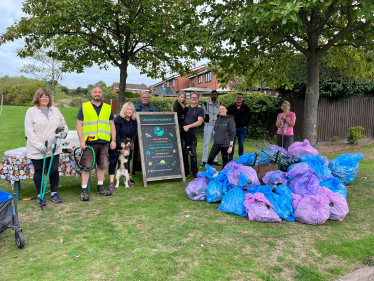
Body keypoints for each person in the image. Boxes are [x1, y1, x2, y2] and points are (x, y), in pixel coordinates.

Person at [25, 88, 68, 206]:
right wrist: (38, 145)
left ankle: (54, 193)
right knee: (39, 171)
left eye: (47, 96)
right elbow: (29, 131)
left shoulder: (56, 110)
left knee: (53, 170)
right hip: (37, 148)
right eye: (42, 96)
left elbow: (63, 125)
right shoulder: (31, 112)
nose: (44, 98)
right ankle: (40, 195)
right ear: (37, 98)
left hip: (54, 147)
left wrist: (63, 134)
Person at [76, 86, 116, 201]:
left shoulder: (108, 108)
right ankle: (84, 190)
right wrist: (81, 140)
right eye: (95, 92)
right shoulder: (84, 106)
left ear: (102, 94)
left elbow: (112, 125)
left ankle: (100, 187)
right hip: (89, 142)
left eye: (99, 92)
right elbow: (79, 125)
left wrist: (113, 140)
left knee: (102, 165)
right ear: (91, 93)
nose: (97, 94)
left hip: (104, 142)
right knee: (86, 166)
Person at [107, 102, 138, 191]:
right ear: (124, 110)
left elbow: (135, 133)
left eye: (131, 109)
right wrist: (121, 147)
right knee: (113, 162)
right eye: (127, 109)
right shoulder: (118, 119)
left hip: (128, 146)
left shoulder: (134, 120)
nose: (129, 111)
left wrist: (129, 144)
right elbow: (115, 133)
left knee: (127, 163)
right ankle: (111, 182)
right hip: (117, 144)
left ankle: (128, 180)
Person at [182, 92, 204, 178]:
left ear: (198, 99)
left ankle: (195, 172)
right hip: (183, 133)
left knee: (193, 153)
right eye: (192, 97)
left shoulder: (200, 110)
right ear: (190, 98)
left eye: (195, 97)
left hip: (192, 134)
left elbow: (199, 122)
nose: (194, 99)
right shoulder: (185, 108)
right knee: (184, 153)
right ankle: (186, 172)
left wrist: (188, 126)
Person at [207, 105, 236, 170]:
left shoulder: (230, 120)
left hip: (225, 144)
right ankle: (209, 173)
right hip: (216, 143)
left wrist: (230, 146)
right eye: (220, 109)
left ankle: (223, 175)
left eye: (223, 109)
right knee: (210, 158)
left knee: (225, 161)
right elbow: (215, 130)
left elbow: (232, 133)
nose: (221, 110)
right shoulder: (218, 119)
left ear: (226, 110)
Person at [227, 93, 252, 161]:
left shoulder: (245, 107)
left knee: (241, 143)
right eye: (238, 97)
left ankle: (241, 158)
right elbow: (227, 115)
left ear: (242, 99)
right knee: (232, 143)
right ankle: (230, 158)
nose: (239, 98)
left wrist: (246, 125)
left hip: (242, 128)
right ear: (235, 98)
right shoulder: (231, 106)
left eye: (240, 97)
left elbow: (250, 116)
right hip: (233, 128)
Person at [201, 90, 221, 166]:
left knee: (216, 143)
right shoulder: (206, 103)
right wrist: (205, 121)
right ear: (210, 95)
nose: (214, 96)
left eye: (215, 94)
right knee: (206, 143)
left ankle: (214, 160)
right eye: (213, 94)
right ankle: (204, 160)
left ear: (217, 96)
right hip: (208, 125)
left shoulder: (219, 104)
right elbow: (203, 114)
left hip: (216, 126)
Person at [172, 92, 193, 156]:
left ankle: (184, 149)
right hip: (179, 120)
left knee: (184, 134)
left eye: (184, 97)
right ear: (178, 97)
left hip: (182, 119)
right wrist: (186, 108)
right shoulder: (177, 103)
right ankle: (188, 147)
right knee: (188, 130)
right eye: (181, 97)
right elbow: (183, 111)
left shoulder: (182, 103)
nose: (182, 99)